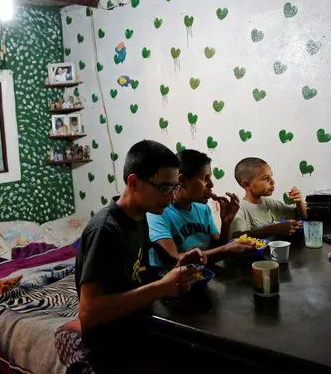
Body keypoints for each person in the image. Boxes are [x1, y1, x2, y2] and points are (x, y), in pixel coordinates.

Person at [75, 140, 202, 373]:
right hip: (111, 348)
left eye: (174, 188)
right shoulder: (105, 230)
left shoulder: (140, 216)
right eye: (164, 188)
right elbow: (89, 313)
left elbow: (137, 277)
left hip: (138, 327)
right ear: (133, 182)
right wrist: (162, 287)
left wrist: (174, 268)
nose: (171, 197)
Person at [147, 150, 257, 268]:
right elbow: (174, 260)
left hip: (203, 276)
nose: (211, 184)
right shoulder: (158, 213)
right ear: (182, 181)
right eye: (205, 178)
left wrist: (226, 223)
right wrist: (226, 249)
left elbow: (217, 249)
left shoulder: (203, 208)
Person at [231, 157, 307, 238]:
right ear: (247, 185)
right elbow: (236, 236)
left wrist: (299, 202)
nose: (273, 181)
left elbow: (302, 216)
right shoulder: (239, 208)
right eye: (266, 178)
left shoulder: (271, 204)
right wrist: (274, 229)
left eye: (271, 176)